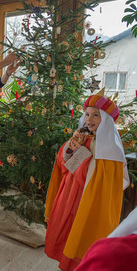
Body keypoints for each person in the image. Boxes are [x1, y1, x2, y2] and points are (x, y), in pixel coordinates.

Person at [44, 88, 129, 271]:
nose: (89, 119)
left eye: (96, 115)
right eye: (87, 114)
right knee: (67, 233)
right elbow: (63, 165)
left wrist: (80, 154)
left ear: (106, 120)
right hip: (70, 196)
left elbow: (97, 180)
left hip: (88, 201)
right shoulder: (83, 137)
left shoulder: (111, 150)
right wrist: (71, 147)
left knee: (82, 237)